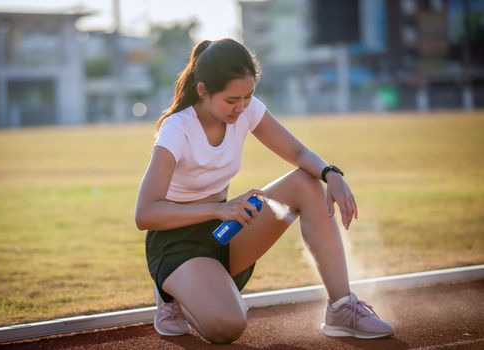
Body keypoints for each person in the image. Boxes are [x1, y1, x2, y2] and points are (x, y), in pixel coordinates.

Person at [135, 38, 394, 344]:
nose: (241, 107)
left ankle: (341, 307)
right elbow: (146, 213)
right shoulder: (177, 129)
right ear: (203, 91)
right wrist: (219, 209)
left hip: (225, 232)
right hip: (177, 244)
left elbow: (297, 153)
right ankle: (172, 295)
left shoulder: (245, 110)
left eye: (248, 96)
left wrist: (331, 173)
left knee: (306, 182)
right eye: (232, 100)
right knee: (227, 327)